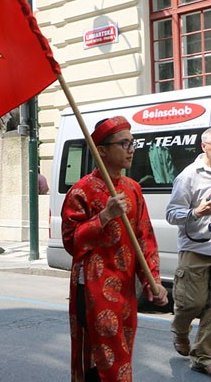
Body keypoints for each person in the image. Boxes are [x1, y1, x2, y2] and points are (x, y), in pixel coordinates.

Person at [62, 116, 168, 381]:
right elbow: (72, 243)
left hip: (125, 290)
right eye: (124, 143)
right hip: (93, 290)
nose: (131, 149)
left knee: (121, 352)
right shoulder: (81, 191)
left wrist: (152, 282)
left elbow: (144, 239)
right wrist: (104, 216)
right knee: (104, 359)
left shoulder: (133, 189)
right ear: (102, 150)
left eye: (132, 143)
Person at [166, 127, 211, 374]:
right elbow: (171, 214)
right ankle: (180, 329)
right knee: (191, 303)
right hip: (196, 248)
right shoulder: (189, 176)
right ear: (204, 146)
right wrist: (196, 212)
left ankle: (203, 357)